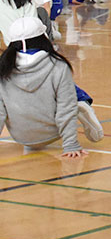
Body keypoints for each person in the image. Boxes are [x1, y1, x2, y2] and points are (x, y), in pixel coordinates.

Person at [0, 17, 104, 157]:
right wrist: (70, 145)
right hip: (53, 133)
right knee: (70, 92)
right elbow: (65, 109)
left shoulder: (3, 68)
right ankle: (83, 103)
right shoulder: (58, 66)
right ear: (43, 37)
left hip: (20, 137)